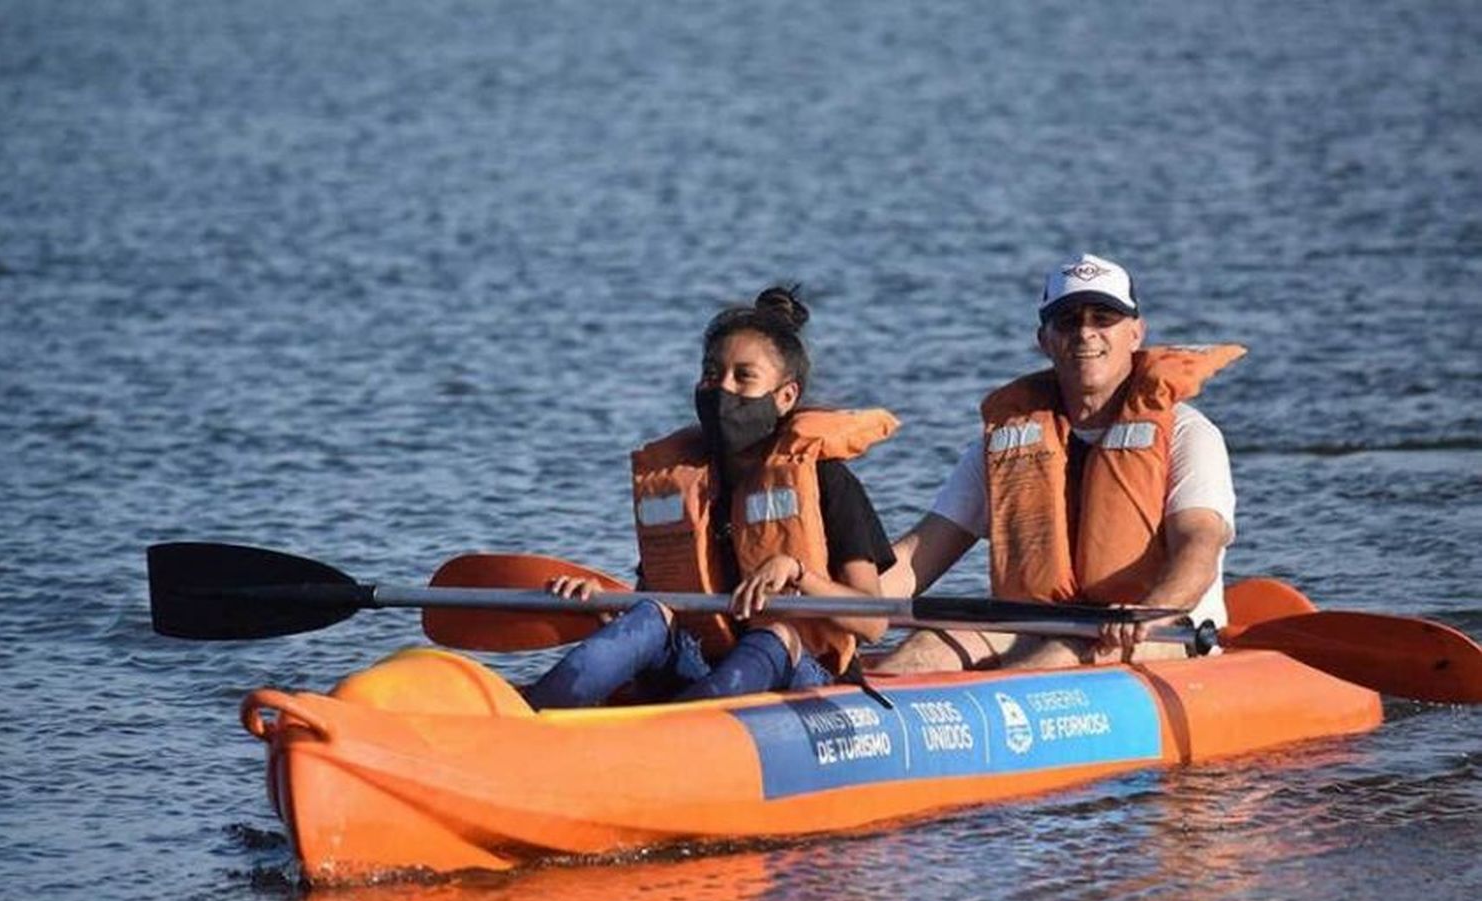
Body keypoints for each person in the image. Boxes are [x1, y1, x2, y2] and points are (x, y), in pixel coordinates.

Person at [525, 287, 898, 708]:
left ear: (786, 397)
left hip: (802, 670)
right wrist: (604, 606)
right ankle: (534, 714)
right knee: (650, 613)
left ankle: (690, 737)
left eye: (744, 376)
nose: (723, 387)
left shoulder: (827, 480)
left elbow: (873, 622)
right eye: (711, 372)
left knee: (775, 634)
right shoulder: (682, 480)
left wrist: (797, 574)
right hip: (702, 664)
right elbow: (661, 592)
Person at [881, 253, 1242, 671]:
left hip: (1160, 629)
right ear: (1045, 339)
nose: (1086, 333)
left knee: (1050, 663)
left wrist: (1148, 611)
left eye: (1103, 318)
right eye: (1068, 321)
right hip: (1038, 624)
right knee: (919, 651)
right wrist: (832, 596)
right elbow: (916, 557)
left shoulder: (1188, 434)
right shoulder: (1006, 440)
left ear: (1135, 333)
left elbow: (1199, 546)